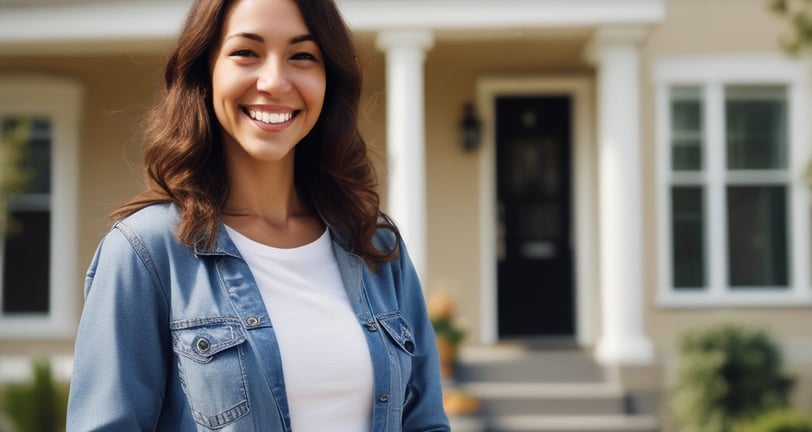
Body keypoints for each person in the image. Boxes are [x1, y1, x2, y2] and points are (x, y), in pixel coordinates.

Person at [66, 0, 449, 430]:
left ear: (329, 79)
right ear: (205, 72)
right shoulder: (145, 253)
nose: (274, 81)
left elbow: (425, 422)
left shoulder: (376, 246)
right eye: (246, 52)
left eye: (302, 56)